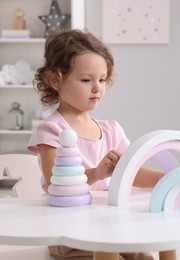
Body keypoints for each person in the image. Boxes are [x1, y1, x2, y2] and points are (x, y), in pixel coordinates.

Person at [27, 29, 162, 260]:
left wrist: (162, 178)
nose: (97, 87)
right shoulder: (52, 131)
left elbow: (131, 171)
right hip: (68, 233)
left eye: (102, 79)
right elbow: (54, 181)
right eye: (86, 80)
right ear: (55, 80)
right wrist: (97, 173)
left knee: (144, 257)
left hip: (109, 227)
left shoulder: (111, 129)